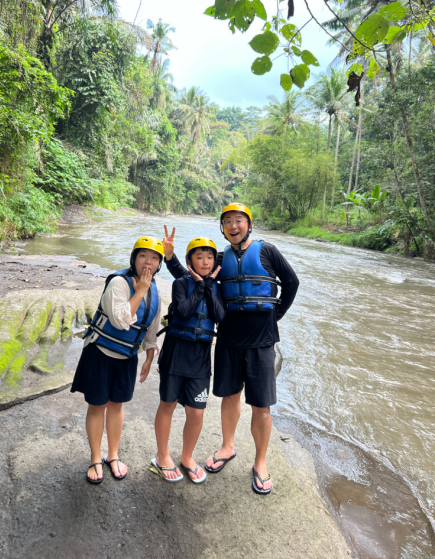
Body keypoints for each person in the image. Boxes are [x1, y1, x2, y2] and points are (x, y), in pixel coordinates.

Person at [162, 203, 299, 494]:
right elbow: (190, 275)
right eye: (227, 221)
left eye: (239, 220)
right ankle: (227, 446)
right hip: (228, 339)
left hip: (261, 342)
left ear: (249, 224)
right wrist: (171, 256)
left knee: (261, 405)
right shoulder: (220, 259)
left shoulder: (267, 251)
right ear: (222, 228)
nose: (233, 225)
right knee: (230, 396)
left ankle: (260, 462)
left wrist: (276, 315)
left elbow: (291, 282)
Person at [71, 236, 164, 484]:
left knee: (117, 405)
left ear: (159, 263)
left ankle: (113, 455)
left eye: (154, 258)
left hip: (127, 356)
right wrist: (140, 290)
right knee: (97, 405)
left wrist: (149, 355)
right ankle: (95, 457)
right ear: (134, 259)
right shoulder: (119, 283)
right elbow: (121, 320)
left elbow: (152, 327)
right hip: (100, 352)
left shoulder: (155, 289)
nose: (148, 262)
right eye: (143, 256)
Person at [151, 237, 225, 484]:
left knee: (196, 412)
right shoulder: (181, 283)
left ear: (215, 261)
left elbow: (219, 315)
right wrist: (201, 286)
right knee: (168, 404)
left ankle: (187, 457)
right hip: (175, 353)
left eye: (209, 257)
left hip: (200, 358)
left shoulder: (217, 286)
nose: (205, 262)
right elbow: (183, 311)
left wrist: (208, 285)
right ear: (190, 261)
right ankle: (162, 456)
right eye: (199, 257)